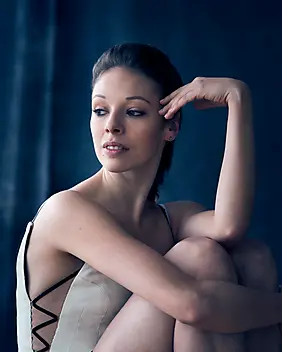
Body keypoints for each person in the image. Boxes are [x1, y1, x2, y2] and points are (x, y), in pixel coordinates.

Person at [16, 42, 281, 352]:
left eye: (133, 112)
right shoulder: (65, 211)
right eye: (100, 110)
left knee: (253, 259)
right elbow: (192, 306)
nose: (111, 127)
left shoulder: (169, 220)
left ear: (170, 127)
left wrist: (239, 100)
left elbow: (229, 226)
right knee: (199, 258)